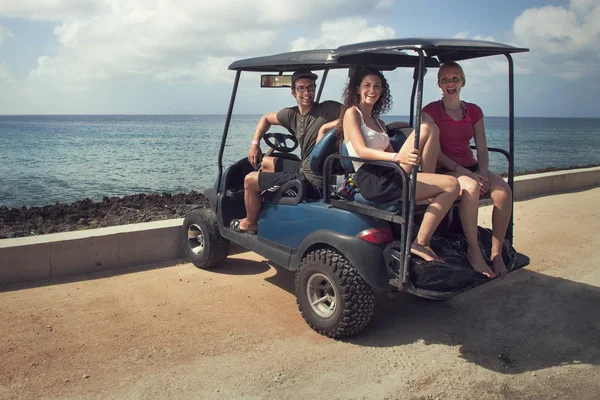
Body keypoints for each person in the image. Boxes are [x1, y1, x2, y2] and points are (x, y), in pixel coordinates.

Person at [339, 67, 460, 262]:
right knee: (451, 185)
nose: (372, 90)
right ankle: (421, 242)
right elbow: (361, 151)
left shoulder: (379, 122)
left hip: (389, 172)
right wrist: (398, 158)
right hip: (372, 178)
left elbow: (389, 154)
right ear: (357, 89)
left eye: (377, 86)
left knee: (428, 128)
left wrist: (403, 159)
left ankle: (424, 205)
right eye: (367, 85)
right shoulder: (352, 114)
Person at [422, 61, 512, 278]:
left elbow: (481, 147)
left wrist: (482, 170)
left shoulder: (473, 111)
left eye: (454, 78)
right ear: (439, 84)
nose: (450, 83)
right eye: (444, 79)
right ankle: (474, 252)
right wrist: (467, 173)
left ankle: (496, 252)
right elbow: (436, 152)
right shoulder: (430, 111)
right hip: (445, 169)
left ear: (462, 81)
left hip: (470, 166)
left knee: (503, 192)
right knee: (471, 187)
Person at [229, 69, 341, 234]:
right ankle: (266, 203)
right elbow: (266, 118)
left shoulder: (327, 109)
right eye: (301, 88)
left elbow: (355, 114)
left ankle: (249, 223)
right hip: (305, 168)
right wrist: (254, 143)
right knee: (267, 162)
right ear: (293, 92)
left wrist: (326, 127)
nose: (307, 92)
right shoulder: (292, 115)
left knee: (249, 180)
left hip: (314, 181)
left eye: (310, 87)